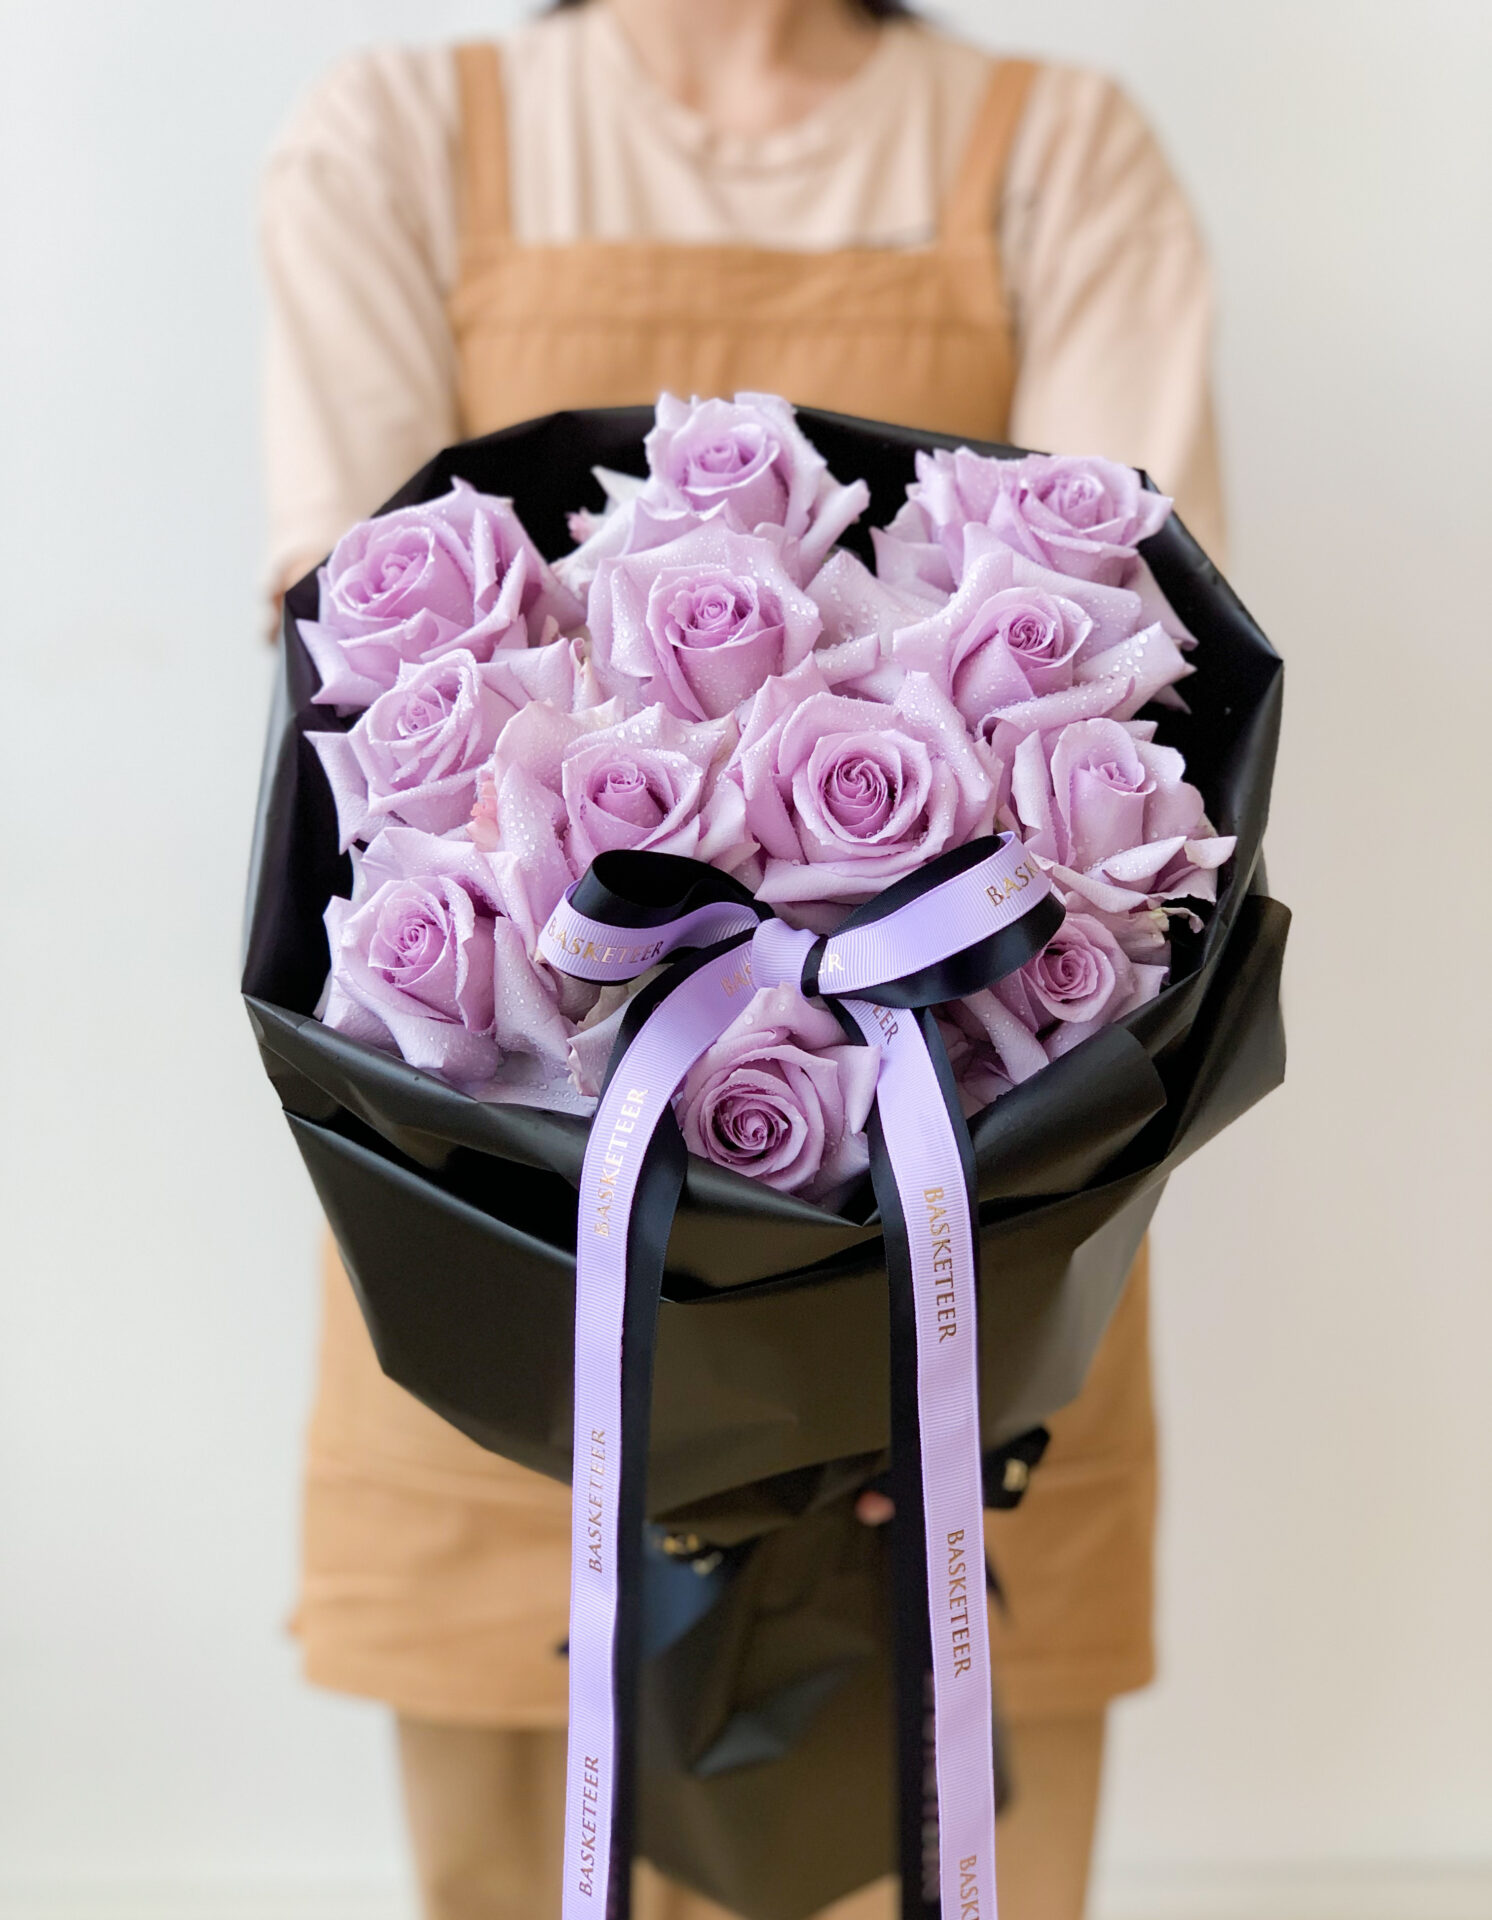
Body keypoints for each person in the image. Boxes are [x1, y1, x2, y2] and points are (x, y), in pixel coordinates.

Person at [260, 2, 1222, 1914]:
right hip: (513, 1221)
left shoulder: (1055, 150)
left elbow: (1156, 634)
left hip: (967, 1221)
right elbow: (335, 688)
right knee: (513, 1865)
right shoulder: (402, 139)